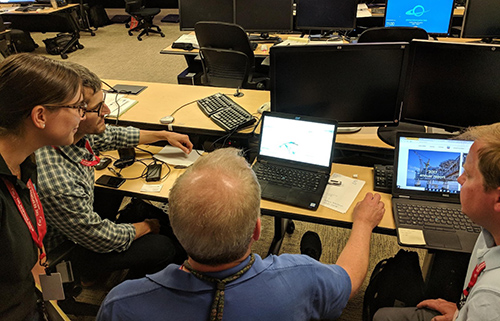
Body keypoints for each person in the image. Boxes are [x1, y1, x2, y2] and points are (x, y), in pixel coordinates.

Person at [97, 147, 385, 321]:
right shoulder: (304, 277)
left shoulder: (121, 302)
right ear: (258, 229)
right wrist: (362, 224)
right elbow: (350, 280)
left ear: (177, 231)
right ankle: (313, 253)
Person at [35, 62, 193, 284]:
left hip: (77, 225)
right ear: (73, 114)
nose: (106, 112)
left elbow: (112, 135)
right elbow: (102, 238)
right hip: (68, 247)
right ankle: (123, 289)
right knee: (163, 247)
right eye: (96, 108)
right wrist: (147, 226)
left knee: (119, 190)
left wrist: (163, 135)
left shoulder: (68, 134)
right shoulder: (57, 181)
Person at [374, 123, 500, 321]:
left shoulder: (491, 300)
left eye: (468, 175)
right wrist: (462, 314)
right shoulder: (490, 228)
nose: (459, 179)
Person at [0, 53, 85, 320]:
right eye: (77, 107)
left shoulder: (25, 162)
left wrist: (53, 308)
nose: (81, 117)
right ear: (40, 116)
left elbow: (31, 255)